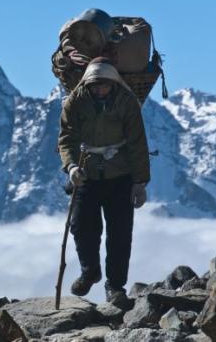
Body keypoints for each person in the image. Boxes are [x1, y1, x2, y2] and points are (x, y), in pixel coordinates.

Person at [57, 57, 150, 306]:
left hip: (120, 175)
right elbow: (66, 137)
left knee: (120, 233)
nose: (99, 90)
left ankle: (115, 286)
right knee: (80, 226)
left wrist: (140, 182)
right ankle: (90, 271)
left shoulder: (126, 102)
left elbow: (137, 142)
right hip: (86, 171)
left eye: (104, 86)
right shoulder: (75, 102)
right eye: (95, 86)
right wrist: (71, 166)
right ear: (87, 84)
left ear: (113, 84)